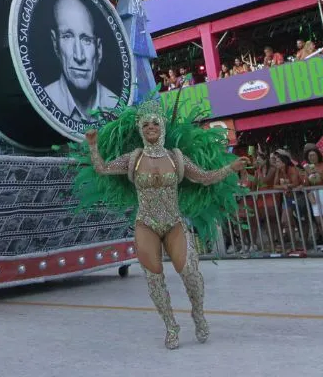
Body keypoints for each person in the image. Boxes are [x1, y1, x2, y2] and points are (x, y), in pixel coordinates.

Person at [77, 100, 246, 349]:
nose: (151, 127)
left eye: (155, 123)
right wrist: (93, 146)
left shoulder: (176, 158)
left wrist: (230, 168)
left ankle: (198, 314)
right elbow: (102, 169)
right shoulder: (133, 159)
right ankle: (171, 326)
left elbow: (205, 178)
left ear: (163, 126)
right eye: (145, 124)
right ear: (140, 130)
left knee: (190, 273)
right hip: (146, 224)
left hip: (173, 222)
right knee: (154, 280)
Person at [43, 0, 120, 121]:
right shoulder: (46, 100)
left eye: (86, 40)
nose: (79, 56)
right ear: (55, 43)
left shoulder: (116, 105)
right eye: (67, 37)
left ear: (99, 49)